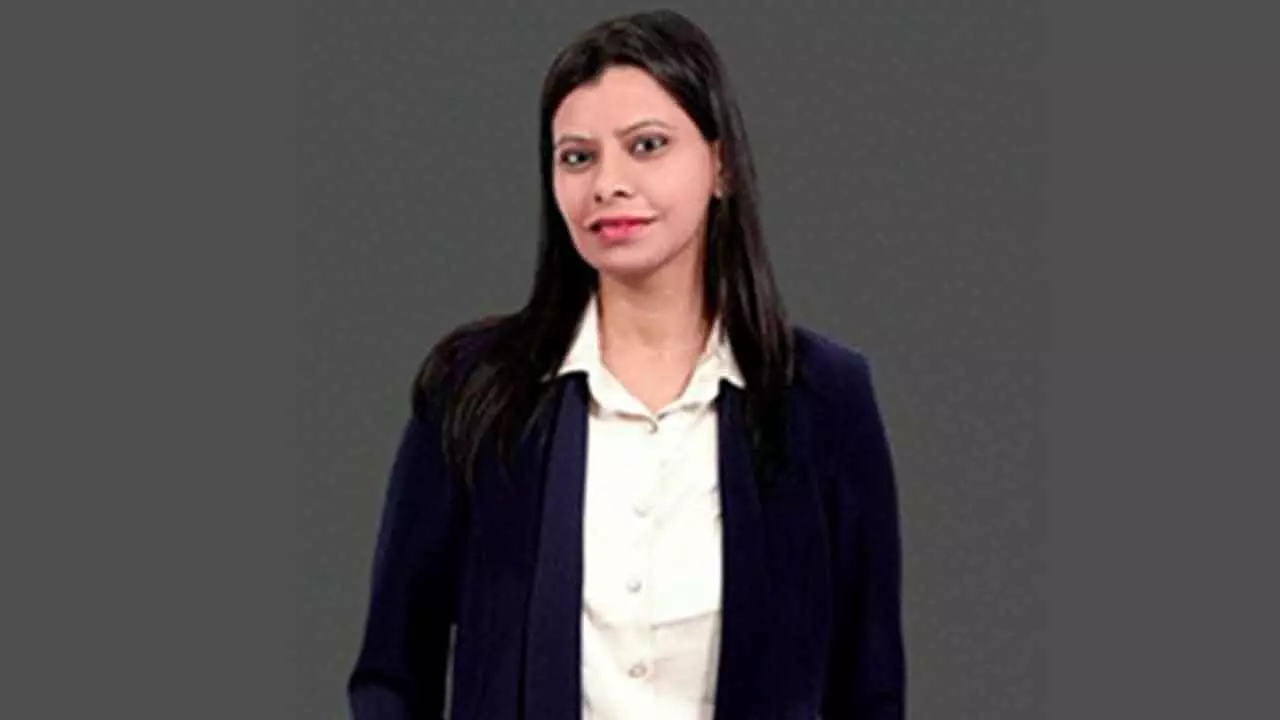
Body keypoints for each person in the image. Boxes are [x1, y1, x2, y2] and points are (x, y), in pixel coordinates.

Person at [347, 9, 905, 719]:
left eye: (647, 145)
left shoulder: (825, 398)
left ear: (721, 165)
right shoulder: (473, 389)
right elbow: (393, 672)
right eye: (577, 157)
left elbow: (869, 686)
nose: (608, 183)